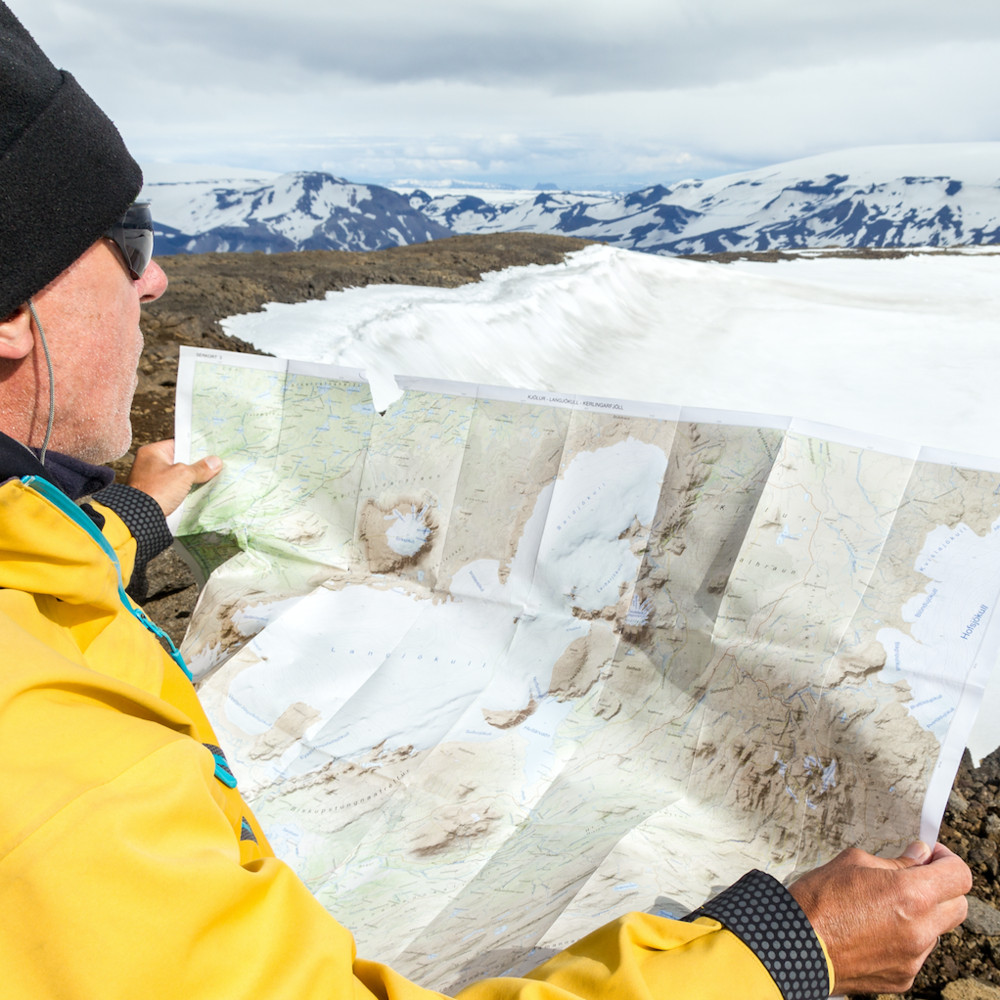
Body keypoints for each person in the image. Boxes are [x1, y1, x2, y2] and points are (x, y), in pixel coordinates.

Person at [0, 4, 971, 997]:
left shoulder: (24, 572)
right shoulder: (45, 776)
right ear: (8, 318)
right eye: (123, 239)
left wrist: (116, 524)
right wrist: (777, 955)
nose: (156, 279)